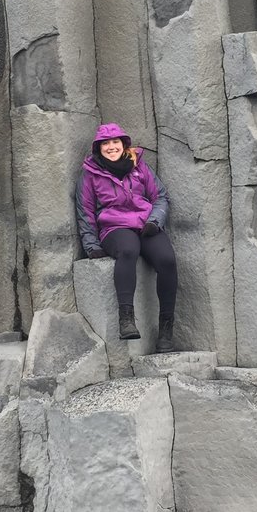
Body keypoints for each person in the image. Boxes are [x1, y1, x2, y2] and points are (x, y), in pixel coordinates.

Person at [75, 122, 178, 351]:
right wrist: (90, 244)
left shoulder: (139, 166)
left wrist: (155, 221)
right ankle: (126, 320)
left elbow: (160, 197)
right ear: (98, 148)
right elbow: (85, 210)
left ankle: (166, 331)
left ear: (123, 144)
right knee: (128, 249)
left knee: (167, 260)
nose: (111, 147)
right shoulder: (90, 174)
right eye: (106, 143)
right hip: (114, 227)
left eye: (115, 142)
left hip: (146, 224)